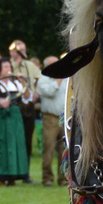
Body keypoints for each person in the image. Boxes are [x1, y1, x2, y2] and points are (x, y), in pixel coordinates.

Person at [0, 59, 29, 185]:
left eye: (9, 66)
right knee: (3, 146)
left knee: (16, 145)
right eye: (5, 67)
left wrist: (24, 82)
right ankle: (2, 177)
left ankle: (14, 176)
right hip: (1, 119)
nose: (8, 69)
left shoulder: (16, 85)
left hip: (15, 118)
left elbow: (26, 98)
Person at [37, 56, 66, 186]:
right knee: (48, 148)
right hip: (50, 118)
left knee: (64, 150)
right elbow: (49, 92)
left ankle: (63, 178)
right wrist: (59, 79)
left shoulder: (66, 79)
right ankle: (47, 178)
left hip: (64, 117)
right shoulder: (43, 80)